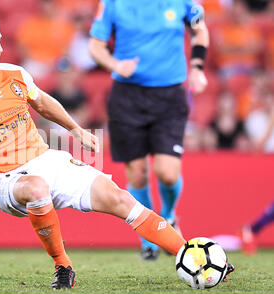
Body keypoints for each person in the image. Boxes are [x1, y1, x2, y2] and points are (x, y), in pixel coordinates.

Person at [0, 11, 233, 289]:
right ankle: (63, 266)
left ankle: (193, 256)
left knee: (119, 197)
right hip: (5, 180)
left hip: (46, 159)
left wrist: (76, 130)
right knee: (36, 187)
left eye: (0, 40)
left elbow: (42, 102)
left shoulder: (15, 74)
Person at [88, 0, 210, 260]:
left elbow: (200, 30)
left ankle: (168, 216)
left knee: (167, 173)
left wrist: (198, 68)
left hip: (170, 95)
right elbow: (95, 47)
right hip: (127, 96)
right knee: (138, 173)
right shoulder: (112, 3)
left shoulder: (184, 3)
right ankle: (148, 240)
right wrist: (115, 65)